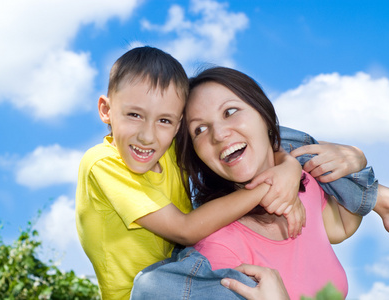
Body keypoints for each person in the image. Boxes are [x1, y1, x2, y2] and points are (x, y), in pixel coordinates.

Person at [130, 66, 389, 299]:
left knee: (302, 152)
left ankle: (386, 202)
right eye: (199, 129)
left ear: (264, 115)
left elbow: (342, 225)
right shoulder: (218, 248)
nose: (219, 134)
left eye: (230, 111)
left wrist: (354, 158)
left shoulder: (304, 187)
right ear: (198, 156)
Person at [75, 47, 305, 300]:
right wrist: (270, 187)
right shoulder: (102, 163)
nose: (147, 136)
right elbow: (185, 230)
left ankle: (329, 157)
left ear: (177, 124)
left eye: (164, 120)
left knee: (260, 133)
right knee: (239, 284)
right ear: (106, 110)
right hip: (148, 293)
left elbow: (258, 138)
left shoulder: (167, 148)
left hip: (187, 268)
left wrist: (288, 166)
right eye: (134, 115)